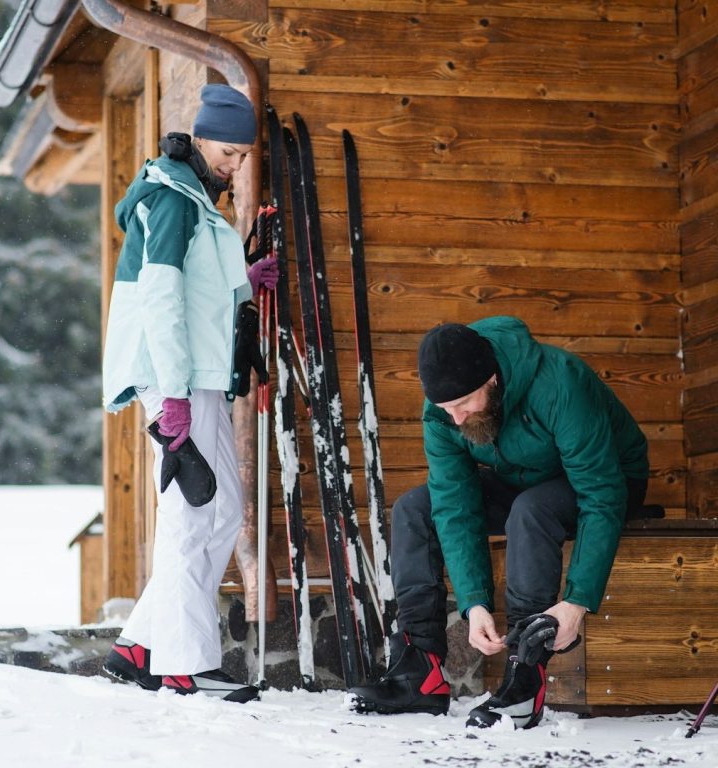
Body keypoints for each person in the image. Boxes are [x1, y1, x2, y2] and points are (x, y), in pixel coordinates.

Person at [349, 315, 649, 728]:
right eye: (445, 409)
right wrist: (474, 604)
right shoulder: (443, 410)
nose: (455, 419)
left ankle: (524, 678)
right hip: (519, 478)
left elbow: (601, 494)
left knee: (532, 510)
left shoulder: (560, 382)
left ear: (491, 379)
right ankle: (420, 671)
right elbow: (453, 504)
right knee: (414, 509)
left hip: (608, 479)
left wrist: (577, 602)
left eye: (462, 405)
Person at [100, 83, 278, 702]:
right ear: (200, 139)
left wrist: (244, 279)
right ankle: (183, 661)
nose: (235, 165)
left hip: (196, 376)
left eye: (241, 156)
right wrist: (172, 393)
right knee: (193, 513)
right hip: (173, 377)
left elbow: (199, 288)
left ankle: (141, 645)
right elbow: (162, 299)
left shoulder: (196, 197)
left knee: (219, 509)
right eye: (228, 152)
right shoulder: (172, 198)